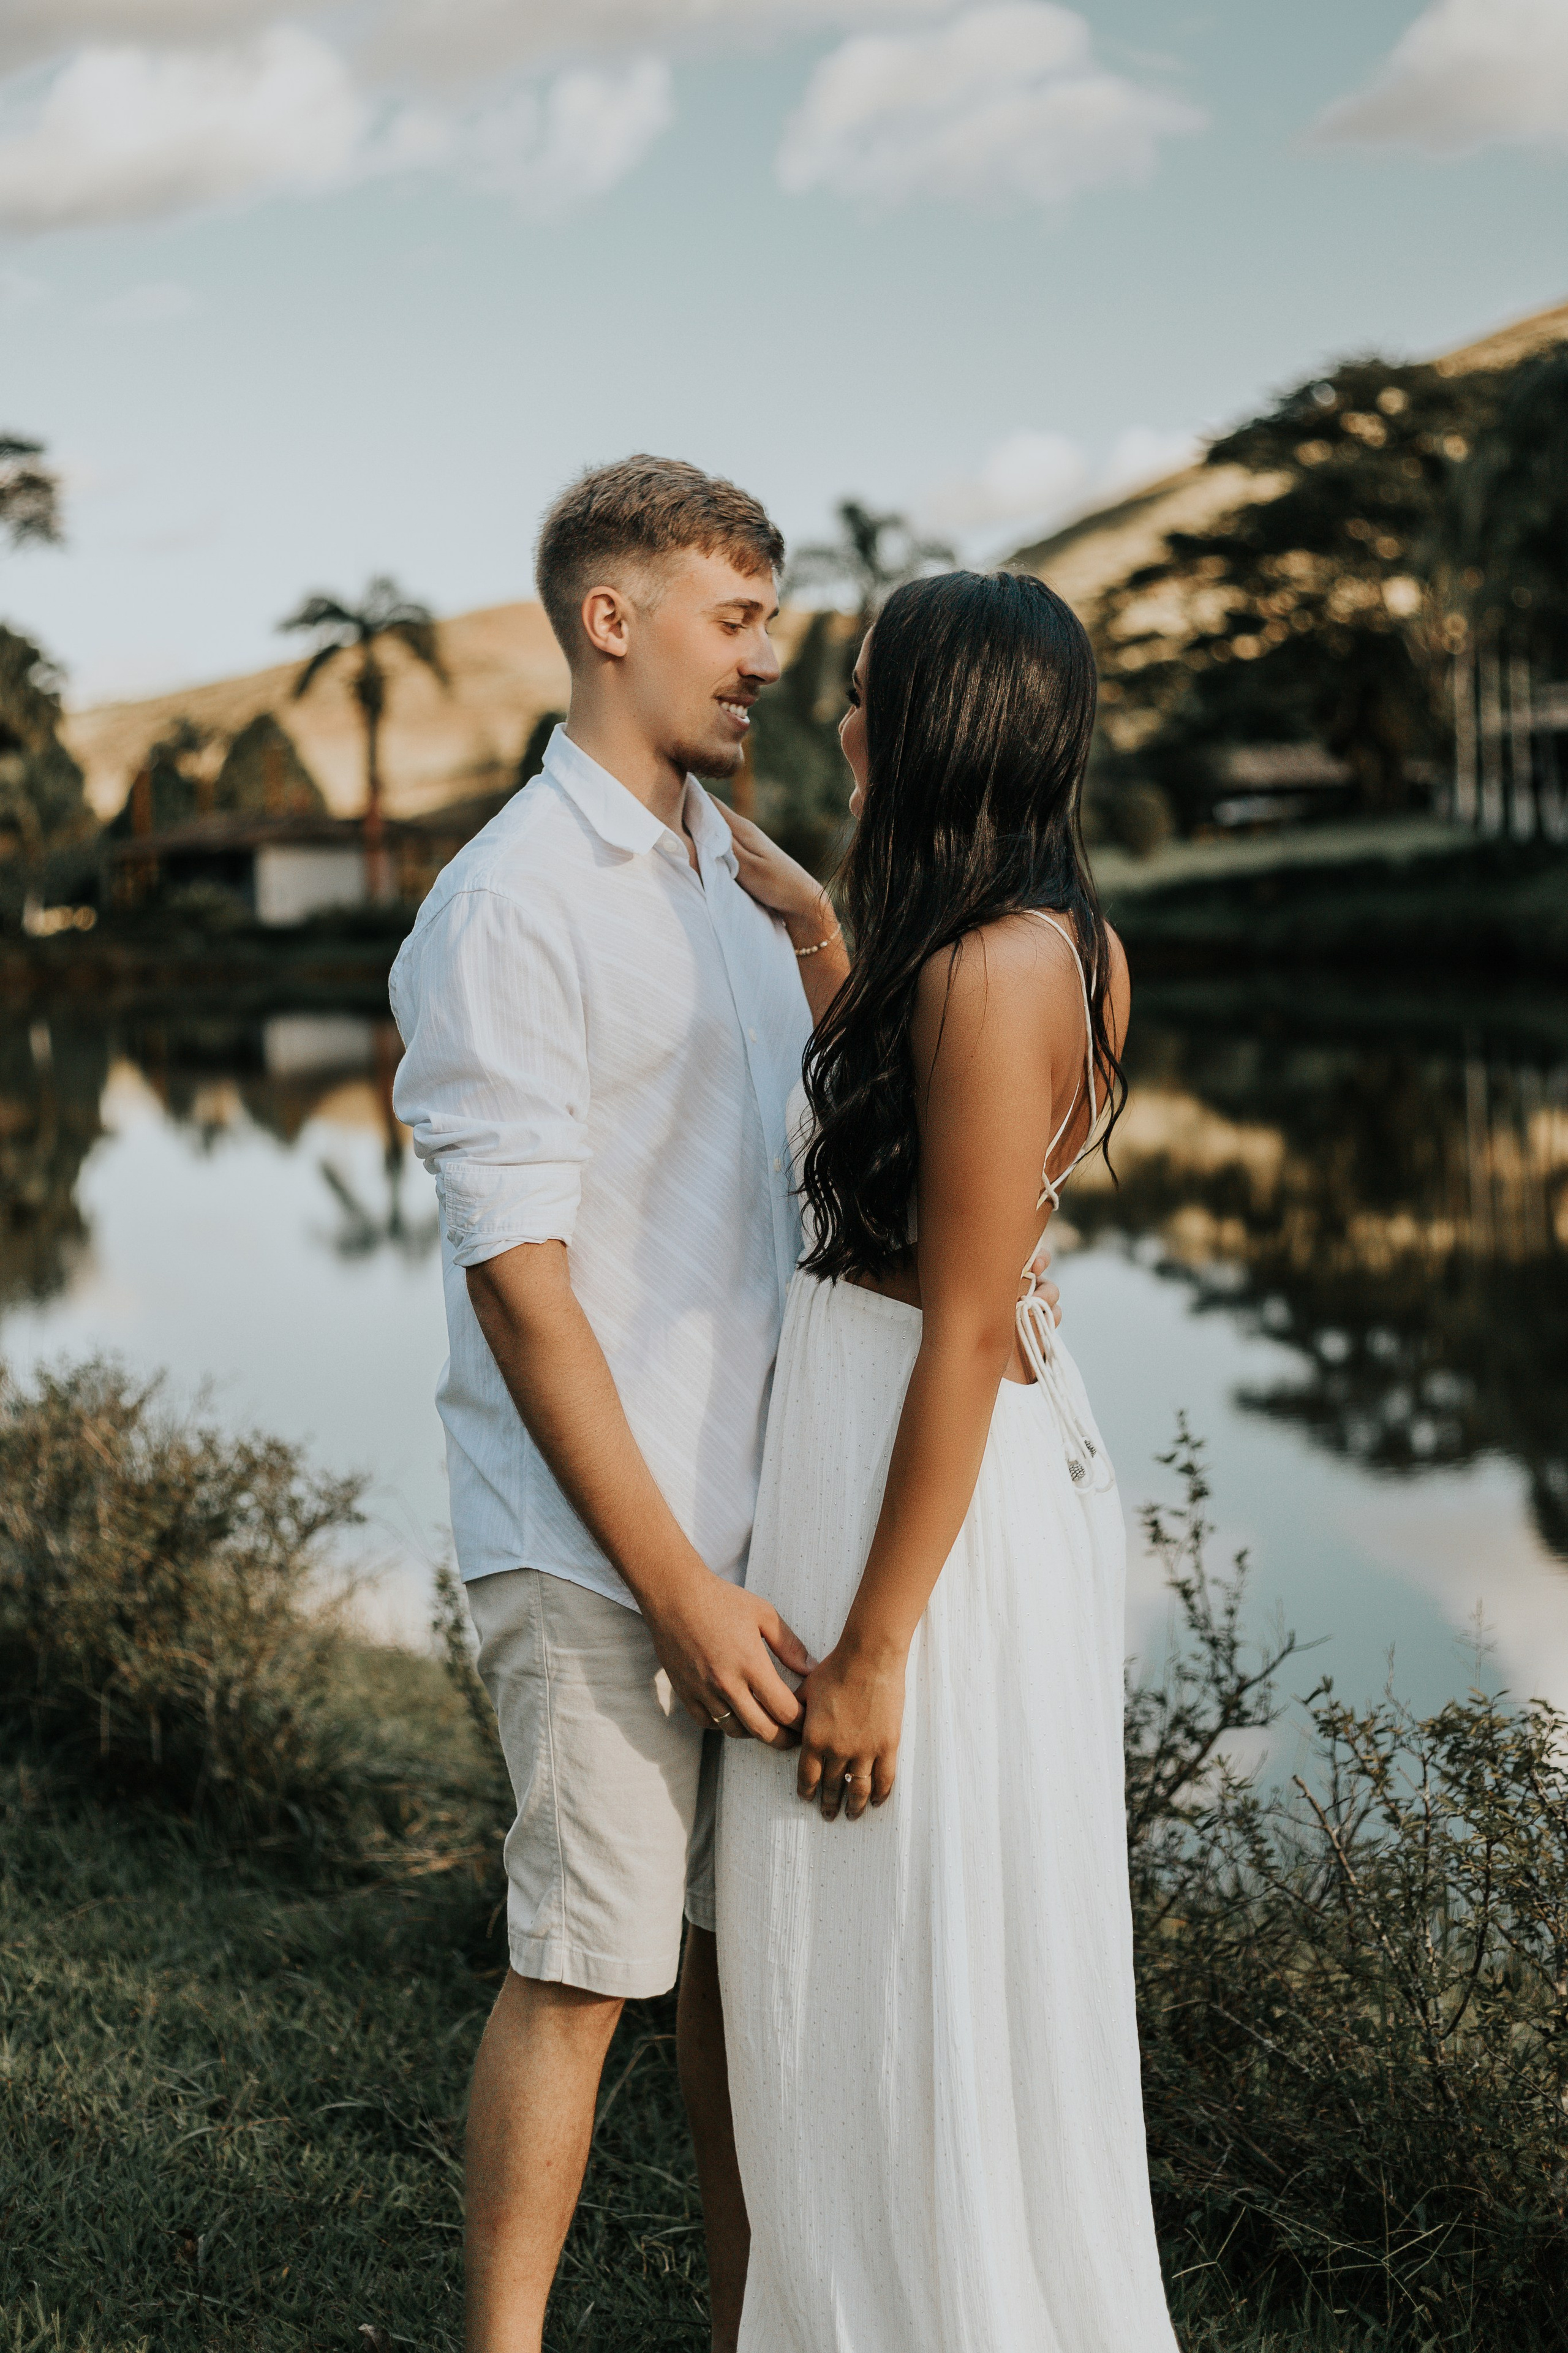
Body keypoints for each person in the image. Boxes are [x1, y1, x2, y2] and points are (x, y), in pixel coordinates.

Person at [388, 456, 839, 2353]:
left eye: (767, 620)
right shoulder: (508, 904)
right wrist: (672, 1585)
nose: (765, 659)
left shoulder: (739, 885)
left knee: (742, 1986)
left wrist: (822, 931)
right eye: (733, 619)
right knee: (584, 1969)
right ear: (611, 617)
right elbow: (524, 1288)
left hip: (758, 1535)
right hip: (597, 1551)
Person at [715, 570, 1180, 2351]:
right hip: (926, 1434)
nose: (838, 721)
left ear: (936, 726)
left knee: (897, 1912)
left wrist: (875, 1647)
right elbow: (920, 1163)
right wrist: (817, 930)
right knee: (912, 1926)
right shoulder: (1034, 942)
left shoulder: (997, 972)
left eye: (863, 691)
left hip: (923, 1478)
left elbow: (964, 1323)